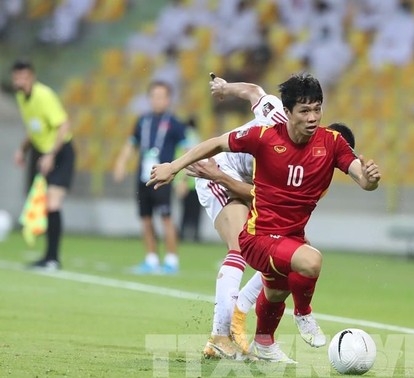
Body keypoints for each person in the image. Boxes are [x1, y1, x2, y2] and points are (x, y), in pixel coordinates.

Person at [148, 73, 380, 363]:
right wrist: (186, 168)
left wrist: (225, 88)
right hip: (219, 172)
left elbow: (253, 91)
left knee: (290, 256)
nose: (312, 119)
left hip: (252, 182)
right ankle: (221, 335)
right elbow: (259, 193)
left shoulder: (311, 149)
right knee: (241, 247)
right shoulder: (271, 135)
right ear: (290, 112)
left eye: (316, 111)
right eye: (305, 111)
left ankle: (247, 321)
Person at [113, 81, 188, 274]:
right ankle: (151, 258)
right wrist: (121, 163)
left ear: (169, 99)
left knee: (166, 218)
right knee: (145, 219)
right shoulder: (142, 121)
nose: (158, 100)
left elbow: (186, 150)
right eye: (154, 96)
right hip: (143, 177)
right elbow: (131, 144)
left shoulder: (175, 123)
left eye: (162, 97)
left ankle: (172, 260)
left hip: (163, 178)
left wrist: (183, 179)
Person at [11, 60, 76, 270]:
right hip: (42, 152)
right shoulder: (21, 97)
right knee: (43, 203)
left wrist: (50, 154)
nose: (20, 81)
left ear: (32, 76)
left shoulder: (44, 95)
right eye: (17, 77)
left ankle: (53, 258)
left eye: (24, 76)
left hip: (61, 152)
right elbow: (35, 128)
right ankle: (48, 257)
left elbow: (63, 124)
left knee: (53, 203)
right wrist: (22, 149)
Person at [176, 117, 202, 242]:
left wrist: (183, 181)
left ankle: (182, 234)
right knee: (195, 211)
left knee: (185, 210)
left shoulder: (187, 136)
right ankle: (195, 234)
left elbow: (188, 158)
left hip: (189, 180)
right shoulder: (196, 136)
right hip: (195, 180)